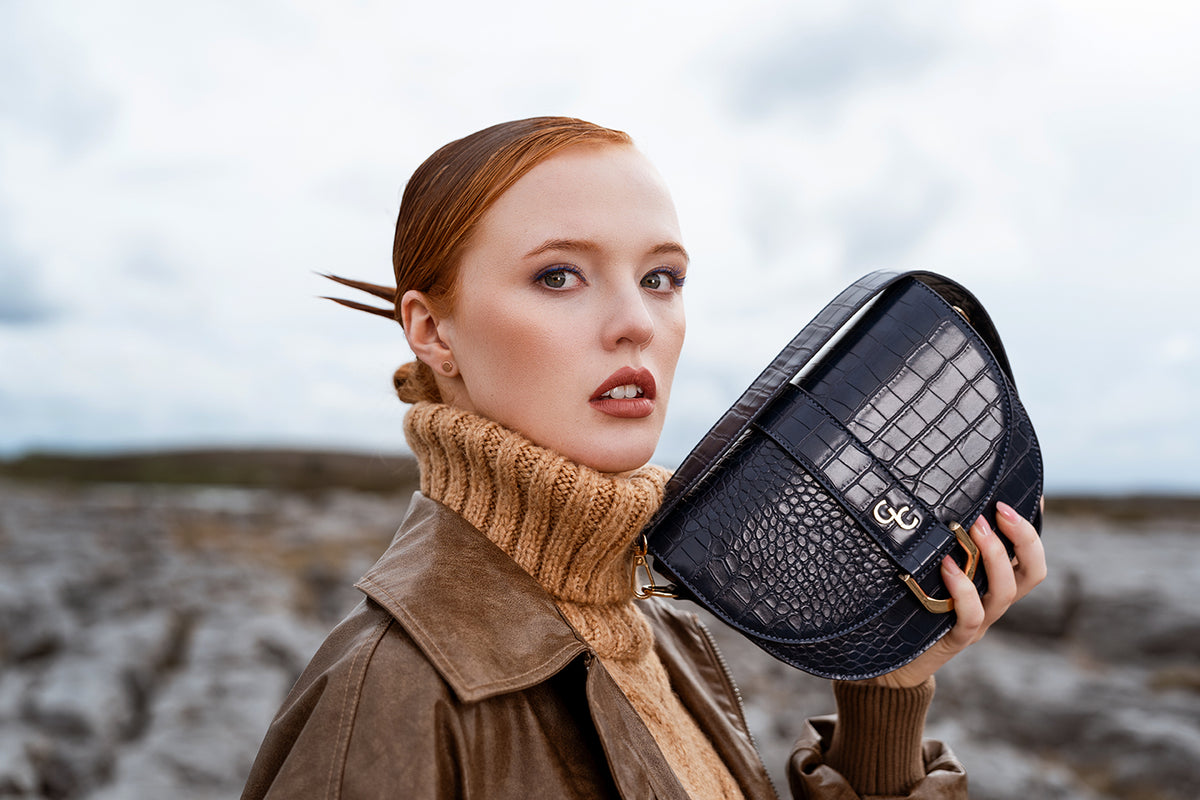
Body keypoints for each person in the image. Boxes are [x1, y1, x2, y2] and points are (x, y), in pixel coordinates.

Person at [240, 117, 1046, 799]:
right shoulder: (388, 693)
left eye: (662, 278)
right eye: (559, 276)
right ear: (432, 330)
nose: (636, 323)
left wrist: (884, 702)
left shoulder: (657, 627)